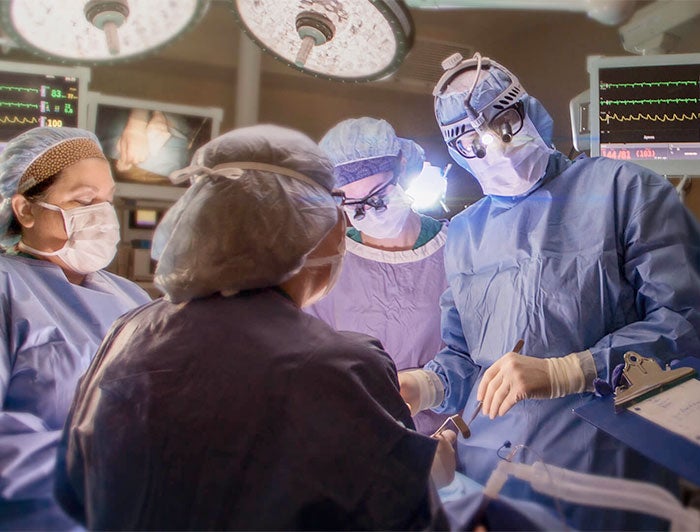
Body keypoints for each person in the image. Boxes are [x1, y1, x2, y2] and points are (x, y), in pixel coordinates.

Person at [54, 124, 456, 531]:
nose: (345, 231)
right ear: (300, 238)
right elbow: (404, 511)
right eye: (336, 215)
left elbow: (75, 489)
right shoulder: (341, 363)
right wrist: (433, 465)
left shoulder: (127, 331)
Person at [400, 52, 700, 530]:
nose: (495, 147)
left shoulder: (625, 190)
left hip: (606, 484)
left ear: (529, 108)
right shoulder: (464, 232)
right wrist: (424, 385)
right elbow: (464, 354)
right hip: (494, 481)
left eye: (505, 122)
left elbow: (686, 325)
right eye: (474, 144)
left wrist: (571, 370)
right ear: (458, 152)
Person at [0, 127, 151, 530]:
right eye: (84, 201)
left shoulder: (132, 298)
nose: (102, 215)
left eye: (106, 200)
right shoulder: (6, 289)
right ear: (25, 210)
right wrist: (110, 476)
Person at [306, 117, 449, 436]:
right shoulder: (325, 264)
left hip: (452, 432)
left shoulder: (456, 249)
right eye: (354, 205)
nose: (369, 213)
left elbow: (479, 350)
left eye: (378, 196)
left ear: (403, 167)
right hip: (356, 438)